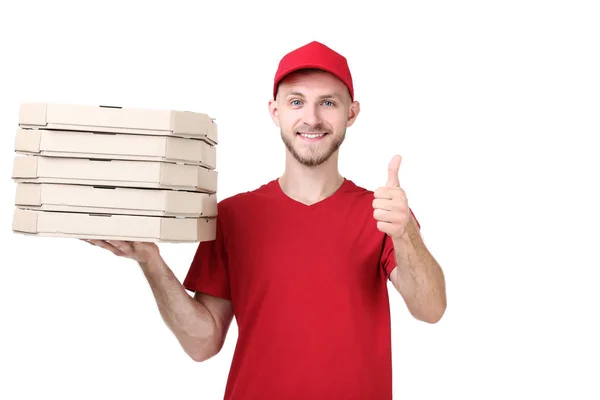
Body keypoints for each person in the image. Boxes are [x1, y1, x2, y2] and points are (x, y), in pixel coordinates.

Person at [85, 41, 447, 399]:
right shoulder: (233, 216)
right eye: (296, 101)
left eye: (328, 102)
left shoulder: (384, 214)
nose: (312, 118)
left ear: (351, 113)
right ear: (275, 111)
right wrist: (151, 261)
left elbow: (430, 309)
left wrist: (405, 234)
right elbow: (202, 343)